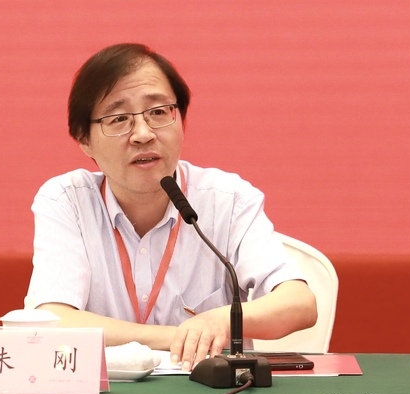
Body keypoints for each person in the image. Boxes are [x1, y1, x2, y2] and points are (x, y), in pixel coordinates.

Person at [25, 43, 317, 372]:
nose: (143, 134)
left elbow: (299, 304)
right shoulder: (67, 201)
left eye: (159, 112)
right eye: (119, 119)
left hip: (209, 393)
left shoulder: (228, 200)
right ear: (84, 140)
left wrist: (219, 320)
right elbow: (51, 320)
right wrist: (178, 336)